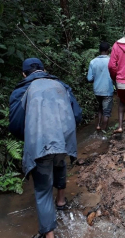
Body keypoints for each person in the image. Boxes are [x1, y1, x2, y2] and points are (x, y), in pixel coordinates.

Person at [9, 58, 82, 238]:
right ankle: (61, 200)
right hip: (63, 140)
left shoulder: (21, 91)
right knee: (59, 163)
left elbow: (16, 124)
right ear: (44, 70)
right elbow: (77, 114)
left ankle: (49, 235)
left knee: (42, 190)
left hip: (40, 142)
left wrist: (29, 139)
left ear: (24, 74)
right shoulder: (60, 85)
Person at [87, 42, 114, 132]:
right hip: (107, 90)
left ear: (99, 50)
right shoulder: (111, 61)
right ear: (108, 50)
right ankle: (103, 133)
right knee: (106, 112)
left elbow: (89, 78)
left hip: (97, 90)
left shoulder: (93, 62)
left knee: (100, 107)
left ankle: (98, 125)